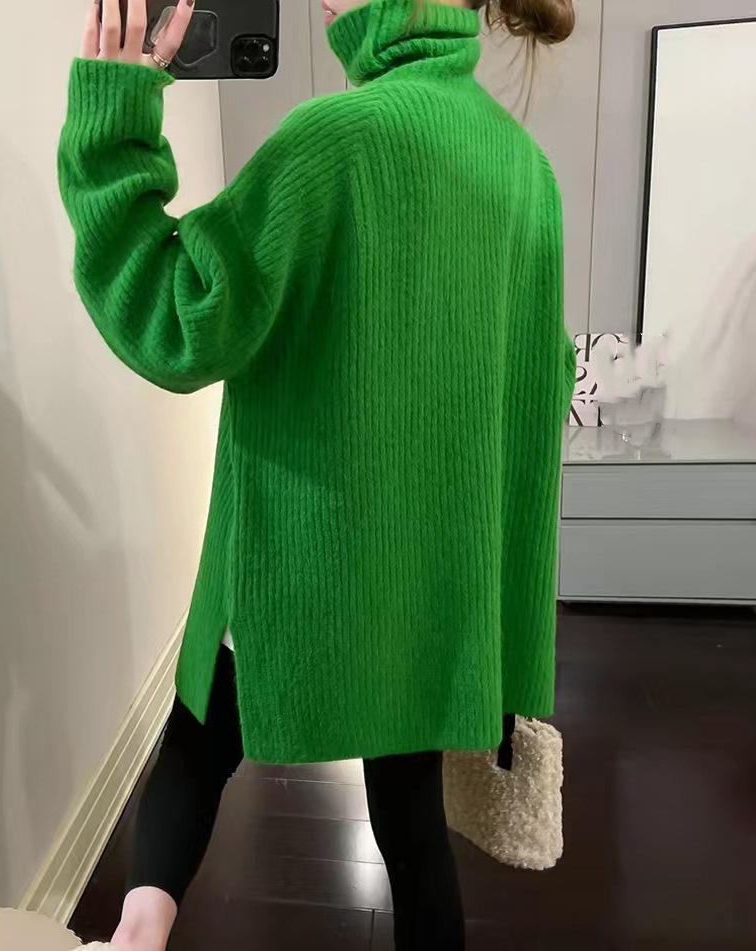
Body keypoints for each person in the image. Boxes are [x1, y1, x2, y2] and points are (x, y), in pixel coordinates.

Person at [58, 0, 577, 947]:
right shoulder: (525, 170)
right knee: (411, 821)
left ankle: (131, 938)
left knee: (195, 743)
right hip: (430, 581)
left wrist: (116, 120)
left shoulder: (332, 139)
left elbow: (176, 318)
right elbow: (535, 398)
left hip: (299, 565)